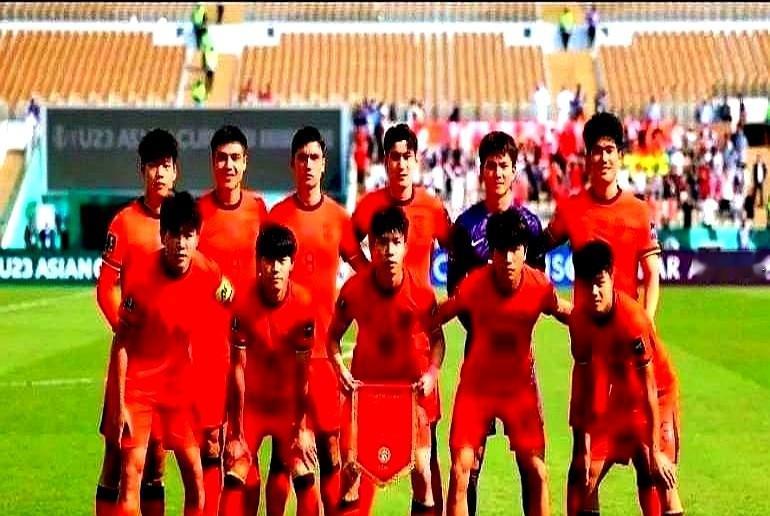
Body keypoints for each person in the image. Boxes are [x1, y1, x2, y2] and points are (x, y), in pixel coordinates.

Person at [540, 112, 661, 516]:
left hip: (629, 352)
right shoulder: (571, 209)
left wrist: (646, 324)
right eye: (596, 150)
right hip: (589, 356)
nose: (604, 157)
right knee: (584, 461)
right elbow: (536, 252)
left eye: (610, 150)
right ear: (586, 157)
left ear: (620, 155)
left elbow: (652, 274)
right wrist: (557, 305)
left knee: (646, 457)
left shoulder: (638, 211)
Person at [104, 192, 232, 516]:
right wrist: (120, 405)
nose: (181, 243)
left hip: (178, 386)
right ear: (163, 236)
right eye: (174, 234)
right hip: (139, 386)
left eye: (188, 235)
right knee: (131, 473)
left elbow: (229, 303)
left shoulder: (208, 272)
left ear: (198, 237)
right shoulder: (141, 280)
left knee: (195, 477)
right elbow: (121, 343)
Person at [437, 210, 571, 516]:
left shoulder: (539, 286)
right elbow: (438, 314)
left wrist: (608, 327)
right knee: (460, 471)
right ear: (491, 253)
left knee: (538, 472)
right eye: (501, 250)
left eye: (514, 249)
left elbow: (566, 312)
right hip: (477, 388)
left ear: (525, 251)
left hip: (519, 390)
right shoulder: (473, 286)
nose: (508, 259)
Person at [352, 123, 451, 513]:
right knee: (363, 453)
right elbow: (347, 243)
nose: (400, 164)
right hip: (375, 349)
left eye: (407, 156)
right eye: (393, 157)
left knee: (425, 457)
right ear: (385, 161)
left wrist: (453, 301)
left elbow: (457, 250)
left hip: (418, 347)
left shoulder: (432, 208)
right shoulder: (368, 207)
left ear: (416, 159)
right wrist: (367, 278)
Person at [268, 126, 368, 515]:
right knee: (283, 452)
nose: (308, 164)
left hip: (325, 354)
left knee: (329, 448)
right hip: (283, 353)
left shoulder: (338, 219)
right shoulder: (277, 217)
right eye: (302, 158)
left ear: (324, 164)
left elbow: (362, 273)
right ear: (291, 164)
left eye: (314, 157)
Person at [445, 130, 545, 516]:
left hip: (520, 360)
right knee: (469, 462)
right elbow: (456, 293)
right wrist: (485, 325)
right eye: (491, 166)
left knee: (530, 462)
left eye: (504, 165)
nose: (497, 173)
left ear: (514, 170)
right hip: (479, 355)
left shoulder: (530, 225)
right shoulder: (465, 227)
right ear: (481, 171)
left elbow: (538, 286)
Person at [328, 206, 446, 515]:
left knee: (422, 472)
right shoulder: (353, 290)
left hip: (408, 395)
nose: (389, 250)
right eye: (381, 242)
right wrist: (340, 368)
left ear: (405, 245)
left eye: (395, 242)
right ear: (371, 245)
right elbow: (332, 338)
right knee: (350, 471)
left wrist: (432, 373)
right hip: (364, 395)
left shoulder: (421, 293)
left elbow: (438, 340)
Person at [95, 129, 179, 516]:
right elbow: (105, 288)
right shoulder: (125, 223)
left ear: (176, 171)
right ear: (141, 170)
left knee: (157, 460)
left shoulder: (185, 220)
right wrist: (125, 330)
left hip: (171, 362)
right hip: (132, 362)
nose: (159, 173)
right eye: (152, 166)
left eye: (166, 165)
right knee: (116, 455)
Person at [570, 240, 683, 516]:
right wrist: (581, 444)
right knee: (586, 477)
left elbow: (649, 387)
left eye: (599, 283)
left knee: (660, 476)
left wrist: (655, 451)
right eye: (587, 285)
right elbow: (581, 384)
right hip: (620, 397)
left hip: (657, 394)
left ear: (611, 277)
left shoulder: (633, 320)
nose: (594, 292)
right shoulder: (579, 321)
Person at [219, 224, 322, 516]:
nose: (275, 268)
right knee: (236, 469)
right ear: (258, 262)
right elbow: (237, 370)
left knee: (303, 469)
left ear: (291, 264)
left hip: (287, 407)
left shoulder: (303, 304)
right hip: (252, 406)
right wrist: (236, 432)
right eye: (268, 260)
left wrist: (302, 428)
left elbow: (303, 374)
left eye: (281, 260)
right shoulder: (242, 303)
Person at [196, 125, 268, 515]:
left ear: (245, 163)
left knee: (245, 441)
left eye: (235, 158)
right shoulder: (197, 213)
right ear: (212, 163)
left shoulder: (258, 209)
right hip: (208, 345)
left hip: (252, 345)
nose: (228, 165)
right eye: (221, 158)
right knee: (211, 441)